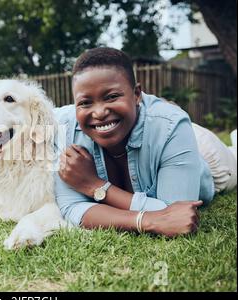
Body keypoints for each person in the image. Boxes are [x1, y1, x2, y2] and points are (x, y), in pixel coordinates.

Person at [55, 47, 237, 237]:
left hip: (208, 158)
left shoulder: (171, 125)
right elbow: (71, 207)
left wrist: (94, 186)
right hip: (153, 129)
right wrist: (147, 221)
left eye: (112, 96)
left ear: (136, 94)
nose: (99, 112)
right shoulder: (64, 128)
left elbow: (175, 213)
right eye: (85, 102)